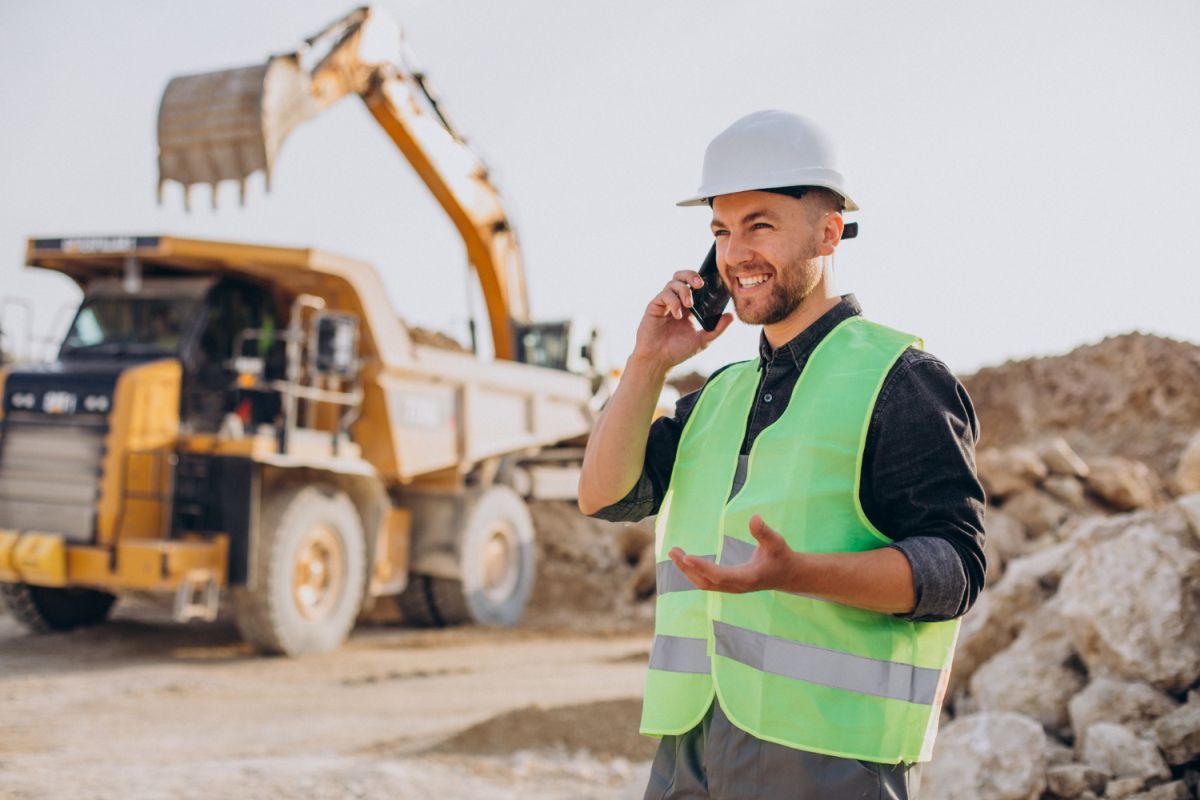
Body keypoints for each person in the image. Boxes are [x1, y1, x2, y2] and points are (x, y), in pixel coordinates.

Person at [577, 110, 986, 799]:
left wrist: (796, 573)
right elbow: (605, 495)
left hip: (827, 759)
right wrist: (648, 362)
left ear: (829, 232)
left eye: (760, 225)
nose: (736, 253)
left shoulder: (901, 379)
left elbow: (956, 571)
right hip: (692, 746)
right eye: (721, 231)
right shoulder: (720, 394)